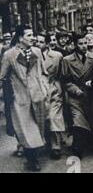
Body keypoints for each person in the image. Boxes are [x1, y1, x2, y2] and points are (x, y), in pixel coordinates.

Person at [0, 25, 48, 171]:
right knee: (27, 131)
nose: (33, 37)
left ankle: (33, 157)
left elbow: (44, 72)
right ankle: (32, 160)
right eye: (29, 35)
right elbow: (2, 77)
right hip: (20, 99)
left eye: (33, 34)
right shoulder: (9, 55)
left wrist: (44, 90)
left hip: (37, 96)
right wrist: (8, 95)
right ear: (20, 38)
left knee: (38, 129)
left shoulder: (37, 52)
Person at [61, 33, 93, 159]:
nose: (83, 46)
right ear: (75, 45)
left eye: (85, 43)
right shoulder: (67, 60)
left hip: (90, 96)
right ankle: (77, 148)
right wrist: (76, 90)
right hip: (75, 97)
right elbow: (65, 81)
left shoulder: (92, 58)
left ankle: (87, 144)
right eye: (80, 44)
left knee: (90, 121)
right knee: (78, 122)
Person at [35, 33, 65, 160]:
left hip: (53, 89)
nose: (38, 44)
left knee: (54, 117)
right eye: (36, 41)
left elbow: (61, 74)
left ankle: (55, 147)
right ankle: (41, 143)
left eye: (41, 42)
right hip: (38, 90)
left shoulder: (57, 56)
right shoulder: (31, 56)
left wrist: (59, 87)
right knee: (42, 118)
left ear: (47, 44)